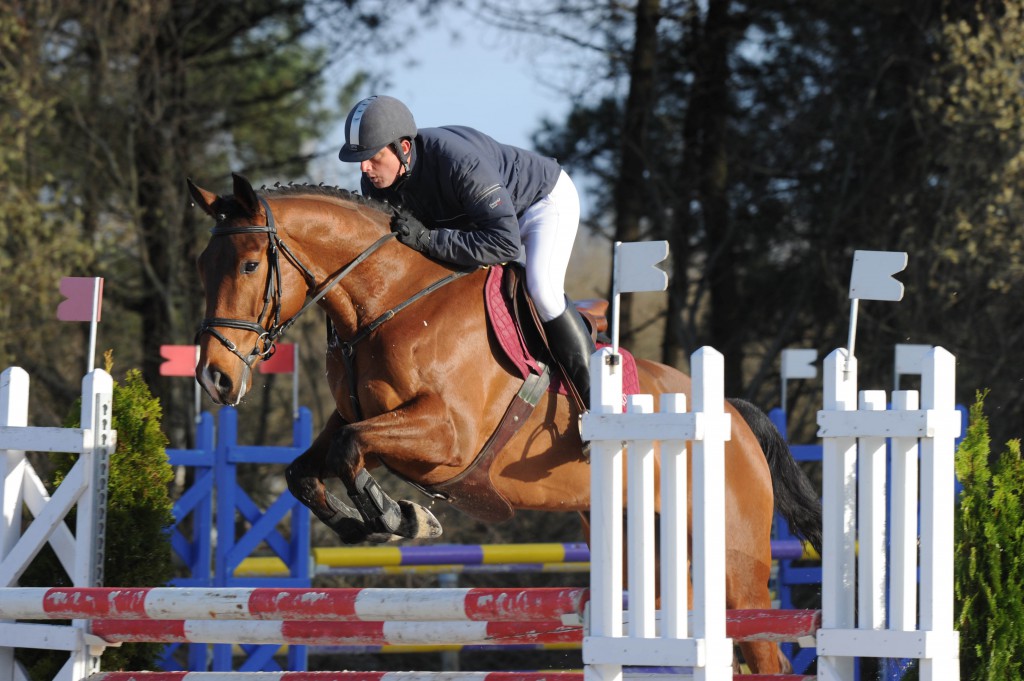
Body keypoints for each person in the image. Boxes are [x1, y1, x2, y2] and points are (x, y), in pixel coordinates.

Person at [338, 94, 595, 409]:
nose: (364, 168)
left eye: (373, 157)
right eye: (360, 159)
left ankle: (596, 399)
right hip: (483, 225)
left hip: (540, 205)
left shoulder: (457, 162)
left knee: (543, 291)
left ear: (403, 148)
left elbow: (504, 242)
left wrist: (430, 240)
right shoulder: (377, 181)